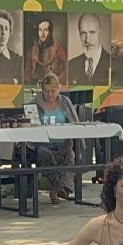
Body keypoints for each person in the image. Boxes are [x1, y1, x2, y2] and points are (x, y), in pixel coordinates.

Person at [30, 74, 82, 204]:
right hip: (44, 143)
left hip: (63, 143)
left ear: (58, 89)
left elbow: (75, 122)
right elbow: (30, 125)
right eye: (46, 91)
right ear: (42, 90)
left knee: (70, 156)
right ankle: (57, 185)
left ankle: (58, 187)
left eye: (53, 91)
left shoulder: (65, 102)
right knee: (44, 154)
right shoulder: (34, 103)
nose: (49, 94)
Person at [65, 14, 109, 86]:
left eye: (92, 32)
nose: (87, 40)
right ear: (79, 35)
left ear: (100, 34)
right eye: (83, 33)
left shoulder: (113, 63)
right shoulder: (71, 65)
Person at [25, 18, 67, 85]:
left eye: (46, 30)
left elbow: (66, 71)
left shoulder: (58, 49)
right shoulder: (32, 50)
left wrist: (57, 83)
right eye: (40, 30)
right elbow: (27, 73)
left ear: (50, 32)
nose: (42, 33)